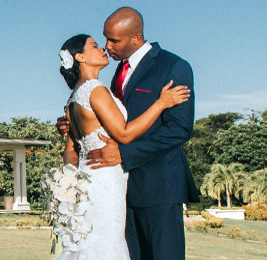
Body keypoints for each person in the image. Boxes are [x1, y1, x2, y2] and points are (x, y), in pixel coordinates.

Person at [56, 7, 199, 260]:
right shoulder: (113, 77)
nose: (107, 46)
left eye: (114, 40)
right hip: (117, 190)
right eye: (104, 39)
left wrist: (124, 153)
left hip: (159, 187)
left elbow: (179, 129)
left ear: (135, 38)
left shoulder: (173, 66)